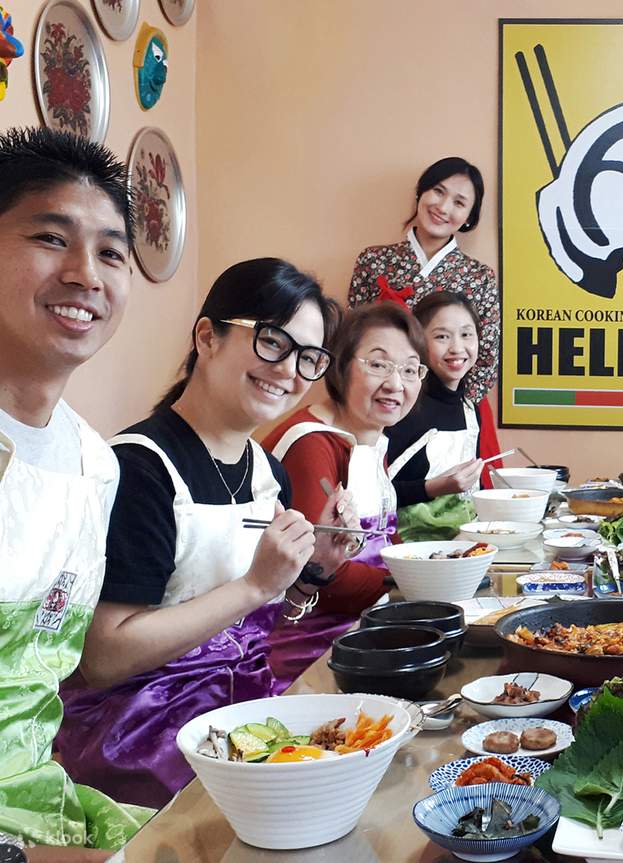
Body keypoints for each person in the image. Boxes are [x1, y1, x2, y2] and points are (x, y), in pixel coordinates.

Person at [56, 259, 356, 809]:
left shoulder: (268, 472)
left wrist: (312, 574)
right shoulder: (138, 467)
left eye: (309, 358)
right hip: (143, 737)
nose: (289, 371)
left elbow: (263, 612)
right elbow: (103, 656)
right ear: (207, 336)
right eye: (272, 342)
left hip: (243, 720)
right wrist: (254, 587)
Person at [0, 126, 152, 860]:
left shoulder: (97, 462)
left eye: (111, 252)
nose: (86, 274)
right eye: (51, 237)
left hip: (45, 804)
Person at [262, 302, 428, 686]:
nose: (396, 383)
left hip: (362, 628)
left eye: (409, 369)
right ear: (339, 365)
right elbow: (321, 573)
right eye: (378, 364)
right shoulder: (312, 442)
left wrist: (417, 573)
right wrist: (410, 584)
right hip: (308, 648)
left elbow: (386, 541)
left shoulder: (370, 435)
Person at [347, 157, 502, 483]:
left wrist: (452, 405)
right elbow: (352, 342)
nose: (444, 207)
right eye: (438, 192)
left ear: (469, 218)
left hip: (454, 403)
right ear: (420, 193)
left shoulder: (479, 276)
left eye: (459, 202)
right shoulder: (374, 262)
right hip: (385, 396)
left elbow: (486, 355)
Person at [386, 292, 486, 541]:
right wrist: (436, 487)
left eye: (466, 334)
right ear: (419, 342)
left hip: (464, 547)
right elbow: (371, 496)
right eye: (442, 336)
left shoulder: (471, 409)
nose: (457, 348)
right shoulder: (401, 405)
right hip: (403, 554)